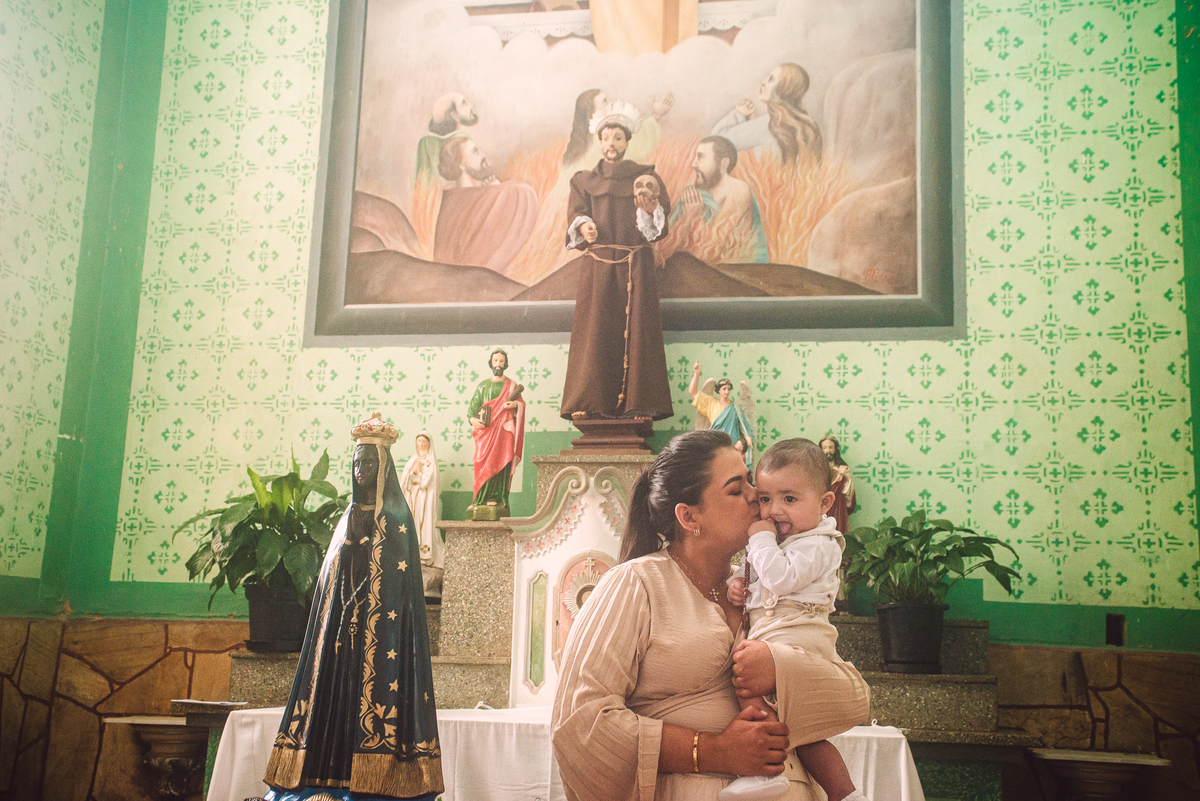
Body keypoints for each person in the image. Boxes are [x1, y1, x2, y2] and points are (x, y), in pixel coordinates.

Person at [551, 430, 870, 801]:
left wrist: (778, 667)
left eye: (751, 481)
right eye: (737, 489)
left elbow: (855, 702)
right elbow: (581, 723)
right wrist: (712, 751)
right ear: (689, 516)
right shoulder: (634, 584)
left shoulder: (762, 590)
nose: (756, 496)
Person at [263, 413, 442, 801]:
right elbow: (329, 580)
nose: (362, 471)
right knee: (337, 699)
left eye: (369, 464)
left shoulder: (397, 519)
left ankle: (376, 780)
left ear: (384, 468)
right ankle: (326, 774)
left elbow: (398, 585)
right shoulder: (346, 518)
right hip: (340, 636)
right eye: (357, 463)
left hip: (380, 637)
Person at [723, 438, 870, 801]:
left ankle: (764, 771)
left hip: (800, 634)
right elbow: (756, 574)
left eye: (789, 499)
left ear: (825, 503)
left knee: (745, 680)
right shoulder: (778, 541)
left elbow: (780, 578)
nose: (774, 510)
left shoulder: (820, 543)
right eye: (765, 499)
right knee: (803, 735)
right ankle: (845, 794)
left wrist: (760, 539)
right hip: (778, 634)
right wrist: (737, 584)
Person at [558, 102, 674, 421]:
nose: (611, 143)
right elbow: (577, 211)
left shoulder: (645, 178)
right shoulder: (583, 180)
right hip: (598, 265)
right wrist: (585, 225)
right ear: (599, 141)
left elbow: (659, 224)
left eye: (618, 138)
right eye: (606, 137)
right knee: (596, 330)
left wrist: (649, 210)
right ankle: (591, 402)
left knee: (638, 330)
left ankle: (638, 403)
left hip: (636, 265)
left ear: (627, 142)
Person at [433, 136, 537, 276]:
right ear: (460, 165)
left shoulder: (477, 195)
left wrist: (494, 186)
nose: (483, 155)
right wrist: (495, 185)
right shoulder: (456, 201)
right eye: (475, 152)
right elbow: (523, 193)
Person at [669, 136, 769, 263]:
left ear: (723, 164)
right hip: (698, 269)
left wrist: (694, 218)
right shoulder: (695, 194)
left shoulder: (739, 190)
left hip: (736, 270)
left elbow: (713, 250)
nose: (693, 164)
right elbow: (670, 246)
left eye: (700, 157)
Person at [711, 64, 822, 166]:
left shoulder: (768, 124)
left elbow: (716, 140)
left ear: (783, 89)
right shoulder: (808, 126)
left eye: (770, 79)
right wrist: (750, 119)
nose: (763, 81)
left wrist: (739, 113)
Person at [468, 349, 525, 520]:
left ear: (505, 364)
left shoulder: (512, 385)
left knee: (502, 461)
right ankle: (480, 498)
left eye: (501, 361)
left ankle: (497, 498)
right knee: (481, 462)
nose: (498, 364)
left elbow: (521, 404)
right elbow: (473, 406)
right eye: (495, 361)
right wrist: (473, 420)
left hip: (504, 432)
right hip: (485, 432)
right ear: (491, 363)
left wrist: (514, 405)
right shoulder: (483, 386)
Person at [400, 431, 443, 598]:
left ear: (429, 444)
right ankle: (412, 554)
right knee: (412, 524)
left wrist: (419, 474)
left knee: (424, 526)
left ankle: (425, 556)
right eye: (419, 442)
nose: (421, 445)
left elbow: (427, 482)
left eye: (424, 442)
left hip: (425, 501)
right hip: (413, 500)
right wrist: (412, 473)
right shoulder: (412, 461)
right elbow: (405, 482)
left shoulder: (431, 463)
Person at [689, 360, 754, 466]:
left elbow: (744, 426)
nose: (727, 392)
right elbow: (693, 392)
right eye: (724, 389)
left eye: (729, 389)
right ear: (718, 390)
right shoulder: (711, 403)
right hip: (717, 444)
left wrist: (748, 438)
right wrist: (696, 374)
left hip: (733, 445)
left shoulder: (736, 409)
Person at [820, 435, 856, 537]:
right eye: (825, 448)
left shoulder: (842, 469)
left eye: (830, 447)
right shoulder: (817, 470)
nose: (828, 450)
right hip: (822, 508)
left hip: (838, 509)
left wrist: (847, 478)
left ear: (835, 449)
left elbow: (849, 497)